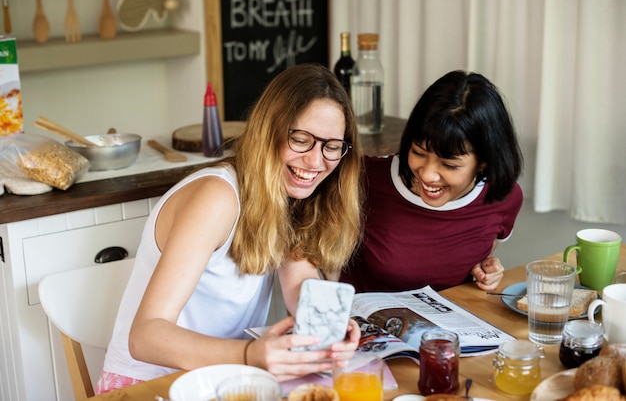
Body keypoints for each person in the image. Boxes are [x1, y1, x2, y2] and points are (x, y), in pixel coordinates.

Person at [96, 63, 363, 394]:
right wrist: (251, 354)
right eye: (301, 139)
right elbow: (145, 336)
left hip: (224, 377)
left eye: (332, 146)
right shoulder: (218, 196)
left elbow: (298, 284)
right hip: (149, 384)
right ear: (270, 129)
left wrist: (329, 323)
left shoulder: (293, 193)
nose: (316, 160)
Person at [340, 70, 523, 293]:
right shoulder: (366, 180)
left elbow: (474, 264)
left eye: (449, 165)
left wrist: (487, 272)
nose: (427, 174)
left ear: (484, 161)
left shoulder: (503, 198)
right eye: (418, 152)